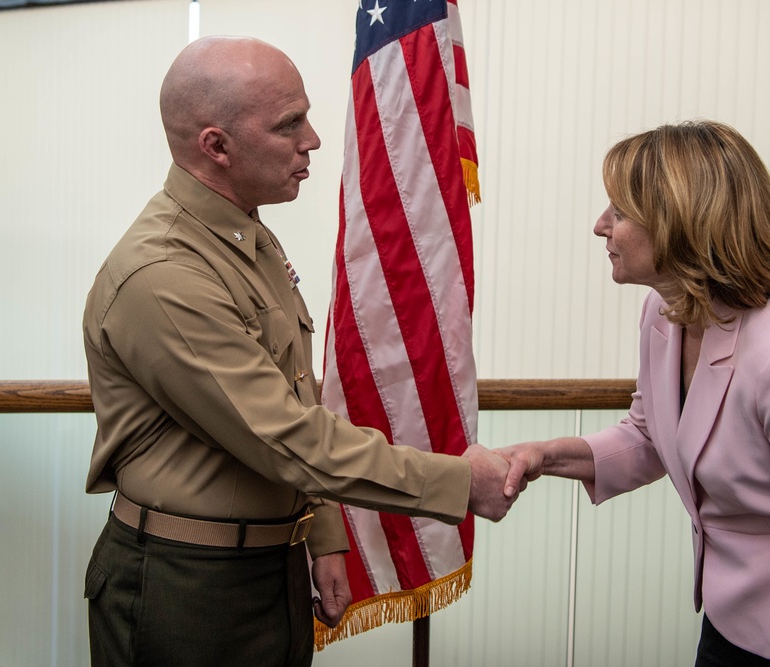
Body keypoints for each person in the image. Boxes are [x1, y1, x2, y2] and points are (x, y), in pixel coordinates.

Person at [82, 35, 515, 667]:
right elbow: (284, 437)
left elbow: (295, 395)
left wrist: (325, 533)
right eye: (289, 124)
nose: (312, 139)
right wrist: (457, 481)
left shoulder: (244, 237)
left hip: (266, 567)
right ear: (216, 146)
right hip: (188, 586)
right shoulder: (164, 272)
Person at [499, 121, 770, 666]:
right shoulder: (666, 311)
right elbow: (654, 434)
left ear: (679, 222)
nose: (600, 226)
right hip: (734, 618)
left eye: (620, 212)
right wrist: (546, 456)